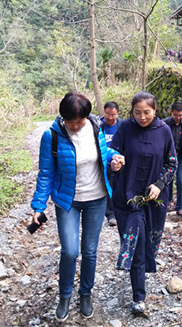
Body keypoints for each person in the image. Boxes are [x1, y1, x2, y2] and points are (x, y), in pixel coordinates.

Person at [30, 92, 125, 322]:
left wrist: (116, 157)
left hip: (97, 198)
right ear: (63, 117)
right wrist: (38, 206)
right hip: (67, 202)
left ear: (86, 117)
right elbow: (45, 174)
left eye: (79, 121)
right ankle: (65, 296)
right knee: (70, 251)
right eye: (71, 122)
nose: (75, 126)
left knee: (90, 251)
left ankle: (85, 294)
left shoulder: (95, 126)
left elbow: (102, 153)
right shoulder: (50, 136)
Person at [110, 91, 177, 315]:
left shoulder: (164, 131)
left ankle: (140, 280)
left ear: (155, 110)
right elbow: (112, 154)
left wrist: (159, 184)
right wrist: (114, 163)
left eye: (146, 112)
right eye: (137, 112)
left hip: (153, 200)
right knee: (136, 246)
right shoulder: (125, 128)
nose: (142, 117)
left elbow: (172, 163)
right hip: (127, 198)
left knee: (148, 243)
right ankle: (139, 297)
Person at [163, 102, 182, 217]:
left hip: (181, 156)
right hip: (167, 156)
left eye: (180, 115)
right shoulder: (164, 123)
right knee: (168, 179)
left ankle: (180, 207)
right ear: (171, 113)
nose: (178, 118)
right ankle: (167, 201)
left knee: (181, 180)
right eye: (176, 115)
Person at [102, 101, 123, 227]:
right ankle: (110, 214)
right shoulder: (97, 125)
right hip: (103, 161)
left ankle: (119, 211)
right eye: (107, 114)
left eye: (113, 115)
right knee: (107, 186)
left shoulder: (122, 125)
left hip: (118, 160)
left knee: (118, 186)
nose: (110, 118)